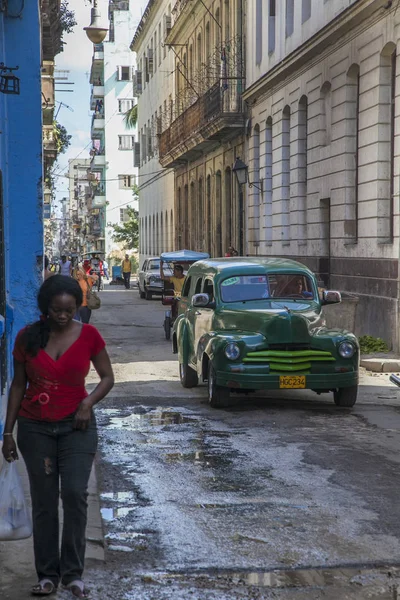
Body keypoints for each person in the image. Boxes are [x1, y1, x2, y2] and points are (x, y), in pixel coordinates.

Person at [1, 275, 114, 598]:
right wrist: (8, 432)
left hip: (76, 428)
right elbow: (18, 386)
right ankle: (48, 575)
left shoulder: (89, 335)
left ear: (77, 307)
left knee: (76, 495)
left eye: (69, 310)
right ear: (45, 308)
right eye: (56, 310)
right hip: (35, 429)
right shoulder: (27, 337)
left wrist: (88, 403)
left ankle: (73, 574)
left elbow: (107, 377)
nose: (63, 316)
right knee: (45, 503)